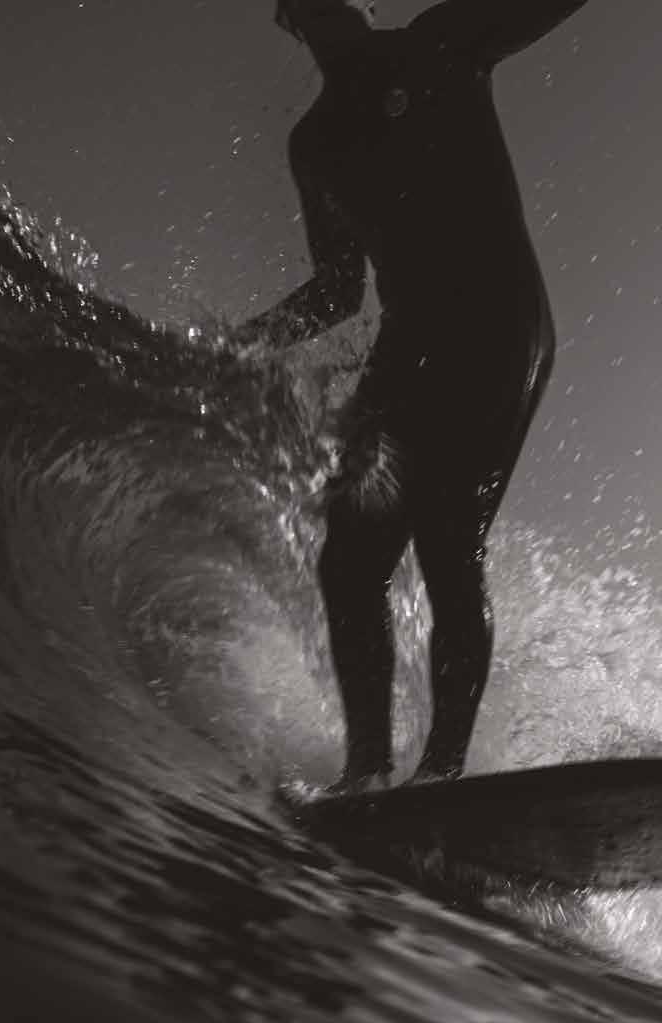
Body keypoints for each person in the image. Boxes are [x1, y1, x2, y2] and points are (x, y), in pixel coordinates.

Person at [235, 0, 587, 793]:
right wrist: (240, 346)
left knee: (446, 541)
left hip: (499, 324)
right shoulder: (315, 143)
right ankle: (366, 775)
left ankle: (441, 774)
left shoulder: (442, 43)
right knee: (349, 561)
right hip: (411, 343)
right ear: (290, 20)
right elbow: (337, 290)